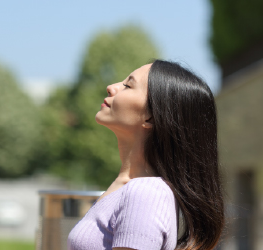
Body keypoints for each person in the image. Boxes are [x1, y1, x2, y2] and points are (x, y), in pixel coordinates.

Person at [67, 60, 224, 250]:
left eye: (127, 85)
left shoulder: (145, 193)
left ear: (151, 116)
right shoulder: (125, 187)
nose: (111, 87)